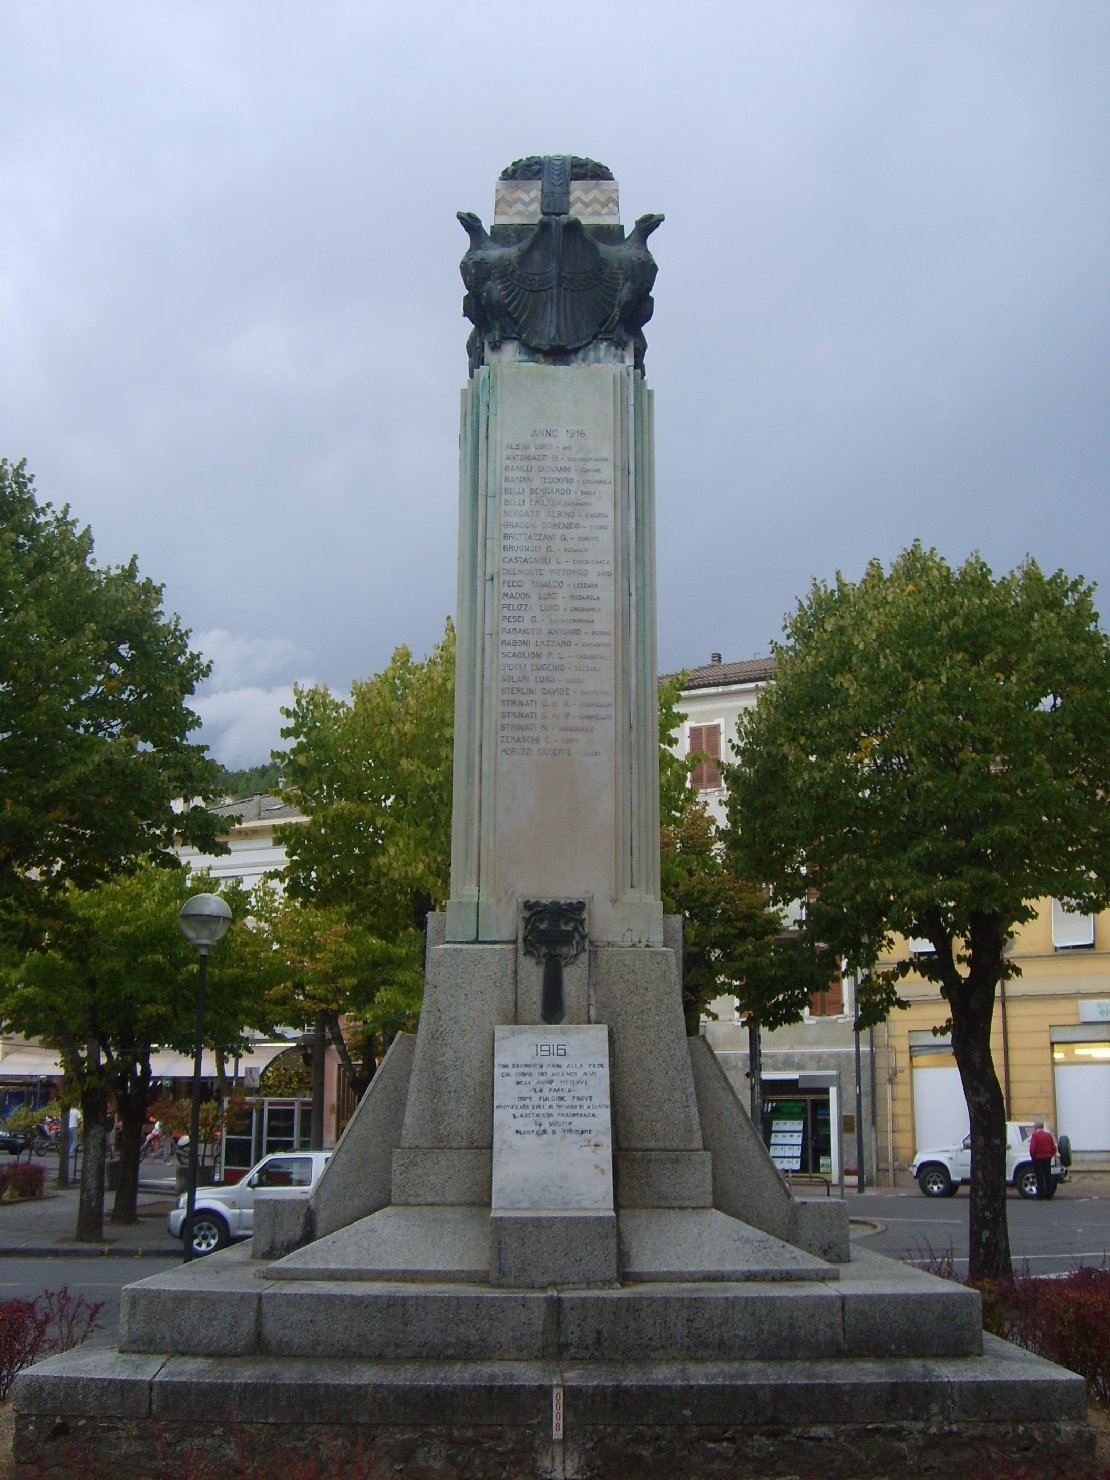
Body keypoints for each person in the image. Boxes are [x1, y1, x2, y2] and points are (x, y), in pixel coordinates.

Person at [1028, 1119, 1057, 1200]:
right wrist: (1050, 1155)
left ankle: (1040, 1195)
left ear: (1036, 1127)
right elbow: (1053, 1148)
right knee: (1048, 1176)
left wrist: (1033, 1156)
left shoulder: (1035, 1135)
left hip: (1038, 1158)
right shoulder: (1048, 1135)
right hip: (1047, 1158)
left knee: (1039, 1177)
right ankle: (1049, 1194)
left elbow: (1032, 1148)